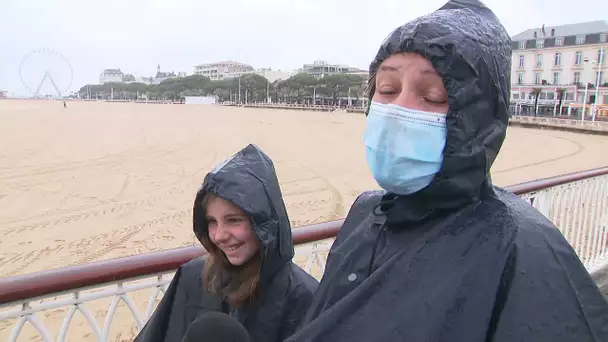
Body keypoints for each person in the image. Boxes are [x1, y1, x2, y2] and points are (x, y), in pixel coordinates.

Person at [286, 1, 608, 341]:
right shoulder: (366, 213)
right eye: (387, 90)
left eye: (433, 96)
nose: (400, 110)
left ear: (475, 119)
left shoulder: (522, 249)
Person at [135, 144, 318, 342]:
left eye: (234, 220)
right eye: (212, 222)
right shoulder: (191, 278)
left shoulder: (304, 297)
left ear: (265, 223)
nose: (219, 235)